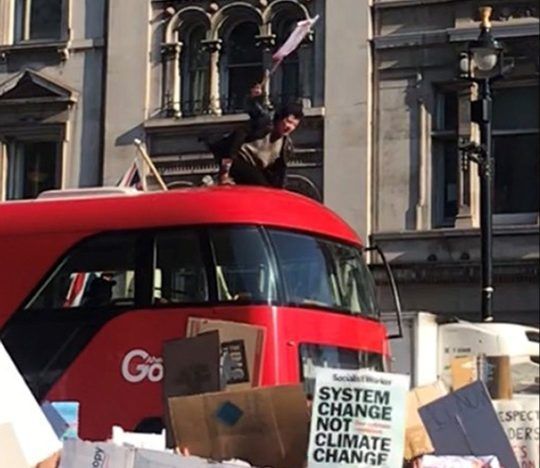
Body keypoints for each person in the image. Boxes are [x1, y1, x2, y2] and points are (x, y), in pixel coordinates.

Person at [217, 102, 304, 187]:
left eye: (294, 125)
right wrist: (225, 170)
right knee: (260, 183)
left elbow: (279, 171)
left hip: (257, 168)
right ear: (280, 119)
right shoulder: (263, 126)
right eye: (288, 122)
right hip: (239, 160)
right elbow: (237, 138)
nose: (290, 127)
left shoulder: (285, 145)